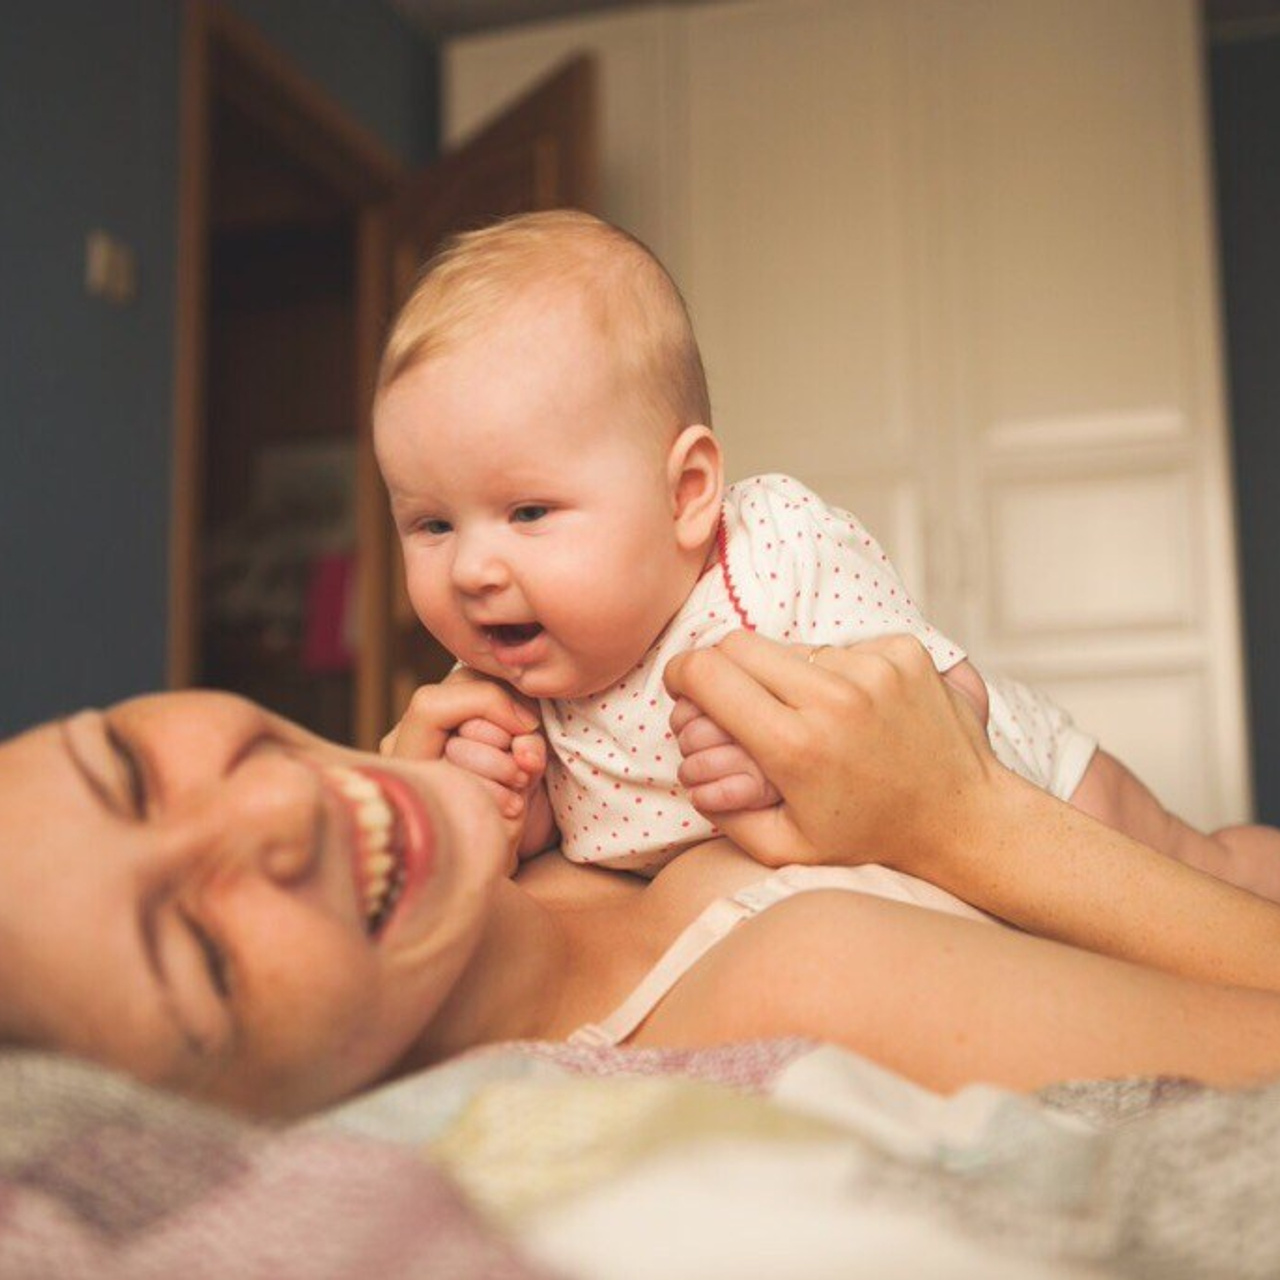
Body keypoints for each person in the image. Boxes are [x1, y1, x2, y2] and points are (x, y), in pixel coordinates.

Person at [373, 209, 1280, 897]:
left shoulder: (772, 550)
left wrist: (795, 752)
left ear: (687, 495)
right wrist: (500, 806)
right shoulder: (501, 690)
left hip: (1035, 788)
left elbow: (941, 704)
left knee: (1194, 871)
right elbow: (554, 852)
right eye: (432, 525)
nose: (472, 571)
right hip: (891, 912)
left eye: (527, 511)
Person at [8, 637, 1280, 1123]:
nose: (278, 802)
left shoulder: (549, 803)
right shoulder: (798, 978)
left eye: (129, 760)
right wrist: (962, 817)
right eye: (207, 953)